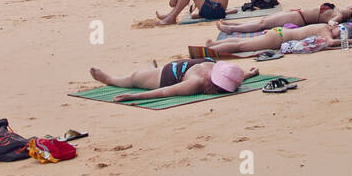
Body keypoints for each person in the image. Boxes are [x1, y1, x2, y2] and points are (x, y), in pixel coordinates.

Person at [90, 59, 253, 102]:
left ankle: (110, 79)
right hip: (181, 66)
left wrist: (134, 97)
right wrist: (249, 74)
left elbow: (164, 92)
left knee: (133, 78)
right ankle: (150, 70)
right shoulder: (219, 69)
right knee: (146, 74)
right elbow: (236, 79)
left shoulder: (195, 83)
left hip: (166, 77)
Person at [201, 20, 352, 56]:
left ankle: (214, 43)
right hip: (278, 38)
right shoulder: (326, 32)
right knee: (241, 46)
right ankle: (211, 50)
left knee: (242, 41)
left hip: (279, 32)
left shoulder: (325, 26)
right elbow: (331, 42)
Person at [216, 3, 352, 34]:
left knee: (263, 23)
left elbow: (333, 22)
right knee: (264, 20)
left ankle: (232, 29)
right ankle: (236, 24)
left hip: (298, 18)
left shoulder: (339, 14)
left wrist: (333, 22)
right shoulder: (338, 9)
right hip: (296, 13)